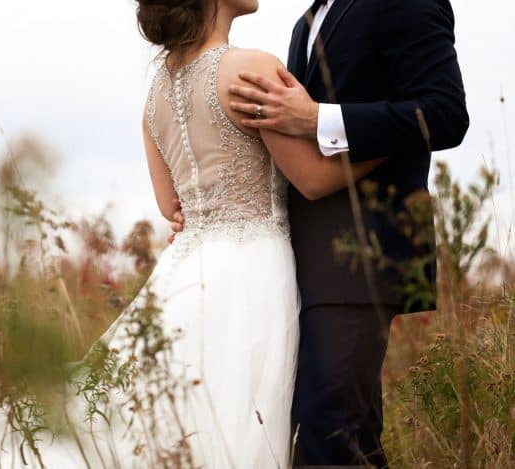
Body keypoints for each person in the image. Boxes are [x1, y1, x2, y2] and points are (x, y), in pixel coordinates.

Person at [170, 0, 469, 466]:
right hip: (291, 259)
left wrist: (319, 119)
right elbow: (290, 146)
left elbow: (446, 112)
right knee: (321, 435)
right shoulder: (304, 24)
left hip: (358, 255)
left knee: (331, 433)